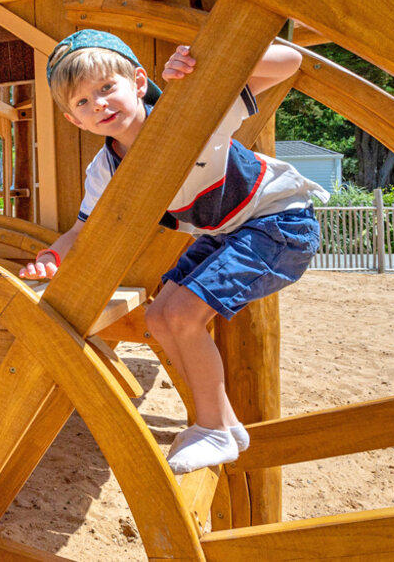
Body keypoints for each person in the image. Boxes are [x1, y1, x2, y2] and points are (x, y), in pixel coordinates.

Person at [19, 29, 326, 474]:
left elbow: (288, 62)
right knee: (160, 317)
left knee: (183, 315)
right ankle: (225, 423)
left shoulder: (189, 113)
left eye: (106, 87)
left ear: (138, 82)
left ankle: (212, 429)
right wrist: (52, 256)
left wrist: (205, 62)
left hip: (278, 221)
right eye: (83, 101)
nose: (98, 104)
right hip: (225, 232)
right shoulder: (105, 168)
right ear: (74, 120)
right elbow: (83, 230)